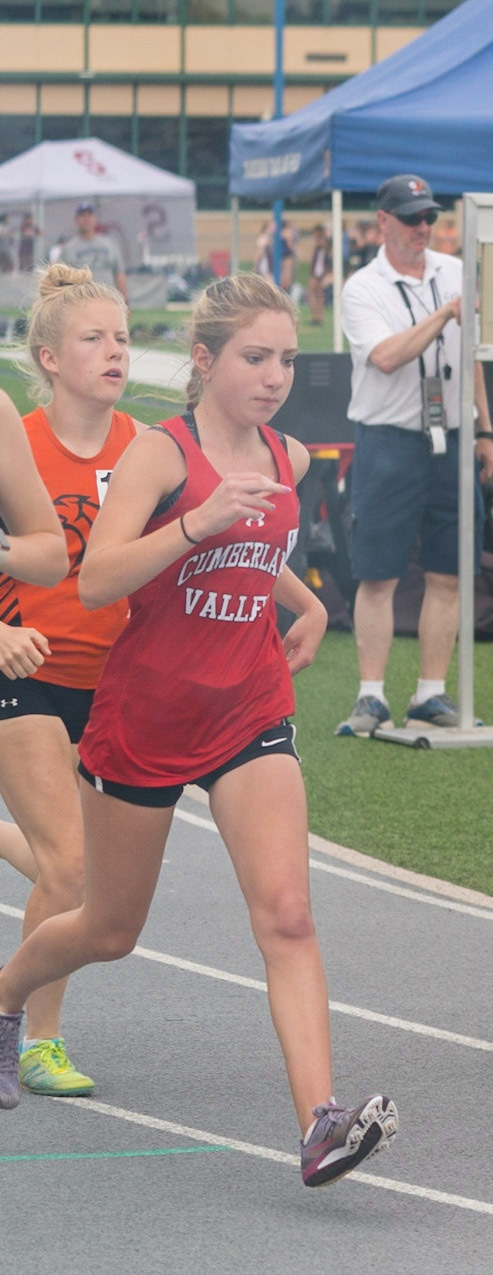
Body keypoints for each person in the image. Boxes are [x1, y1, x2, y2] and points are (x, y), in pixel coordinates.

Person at [0, 275, 398, 1187]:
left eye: (286, 359)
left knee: (288, 915)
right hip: (145, 713)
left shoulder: (290, 455)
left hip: (248, 708)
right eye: (255, 357)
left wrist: (306, 603)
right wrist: (194, 524)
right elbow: (96, 579)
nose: (275, 376)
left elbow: (255, 551)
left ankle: (320, 1122)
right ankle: (8, 994)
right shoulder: (160, 455)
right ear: (205, 361)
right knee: (108, 926)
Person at [0, 265, 143, 1099]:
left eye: (122, 337)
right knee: (70, 865)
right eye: (94, 338)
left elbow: (203, 531)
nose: (115, 351)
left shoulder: (145, 447)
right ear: (49, 358)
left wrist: (299, 601)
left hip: (114, 683)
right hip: (22, 671)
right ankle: (33, 1036)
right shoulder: (15, 440)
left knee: (91, 878)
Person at [336, 174, 493, 736]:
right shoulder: (362, 287)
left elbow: (472, 356)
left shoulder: (454, 271)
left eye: (429, 216)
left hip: (451, 437)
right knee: (378, 574)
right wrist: (444, 315)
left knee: (449, 572)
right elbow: (385, 356)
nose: (422, 227)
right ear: (383, 221)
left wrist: (485, 429)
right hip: (389, 439)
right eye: (411, 218)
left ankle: (430, 692)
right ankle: (371, 694)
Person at [59, 203, 128, 298]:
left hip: (108, 298)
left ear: (95, 219)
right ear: (76, 220)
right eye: (82, 216)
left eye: (89, 215)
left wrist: (125, 299)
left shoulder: (109, 244)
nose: (86, 219)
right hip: (82, 300)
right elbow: (63, 280)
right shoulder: (68, 249)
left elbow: (119, 274)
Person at [307, 223, 333, 327]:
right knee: (313, 293)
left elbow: (326, 248)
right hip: (316, 272)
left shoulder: (325, 243)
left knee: (319, 294)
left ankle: (318, 317)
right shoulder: (318, 245)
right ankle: (315, 316)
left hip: (322, 272)